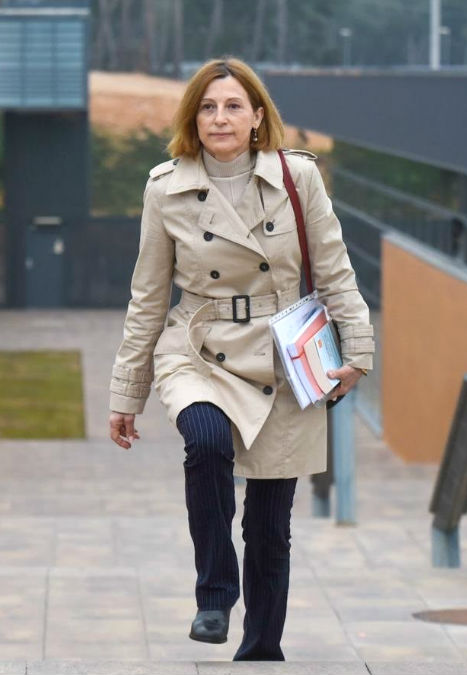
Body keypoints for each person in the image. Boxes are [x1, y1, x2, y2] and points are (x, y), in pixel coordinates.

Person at [107, 57, 375, 661]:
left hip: (282, 356)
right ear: (192, 119)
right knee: (204, 442)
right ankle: (214, 593)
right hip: (197, 348)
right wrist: (128, 393)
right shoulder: (165, 187)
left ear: (258, 117)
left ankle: (261, 651)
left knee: (269, 526)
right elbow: (148, 297)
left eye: (233, 106)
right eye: (207, 106)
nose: (220, 117)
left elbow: (334, 269)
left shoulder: (297, 178)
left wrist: (357, 350)